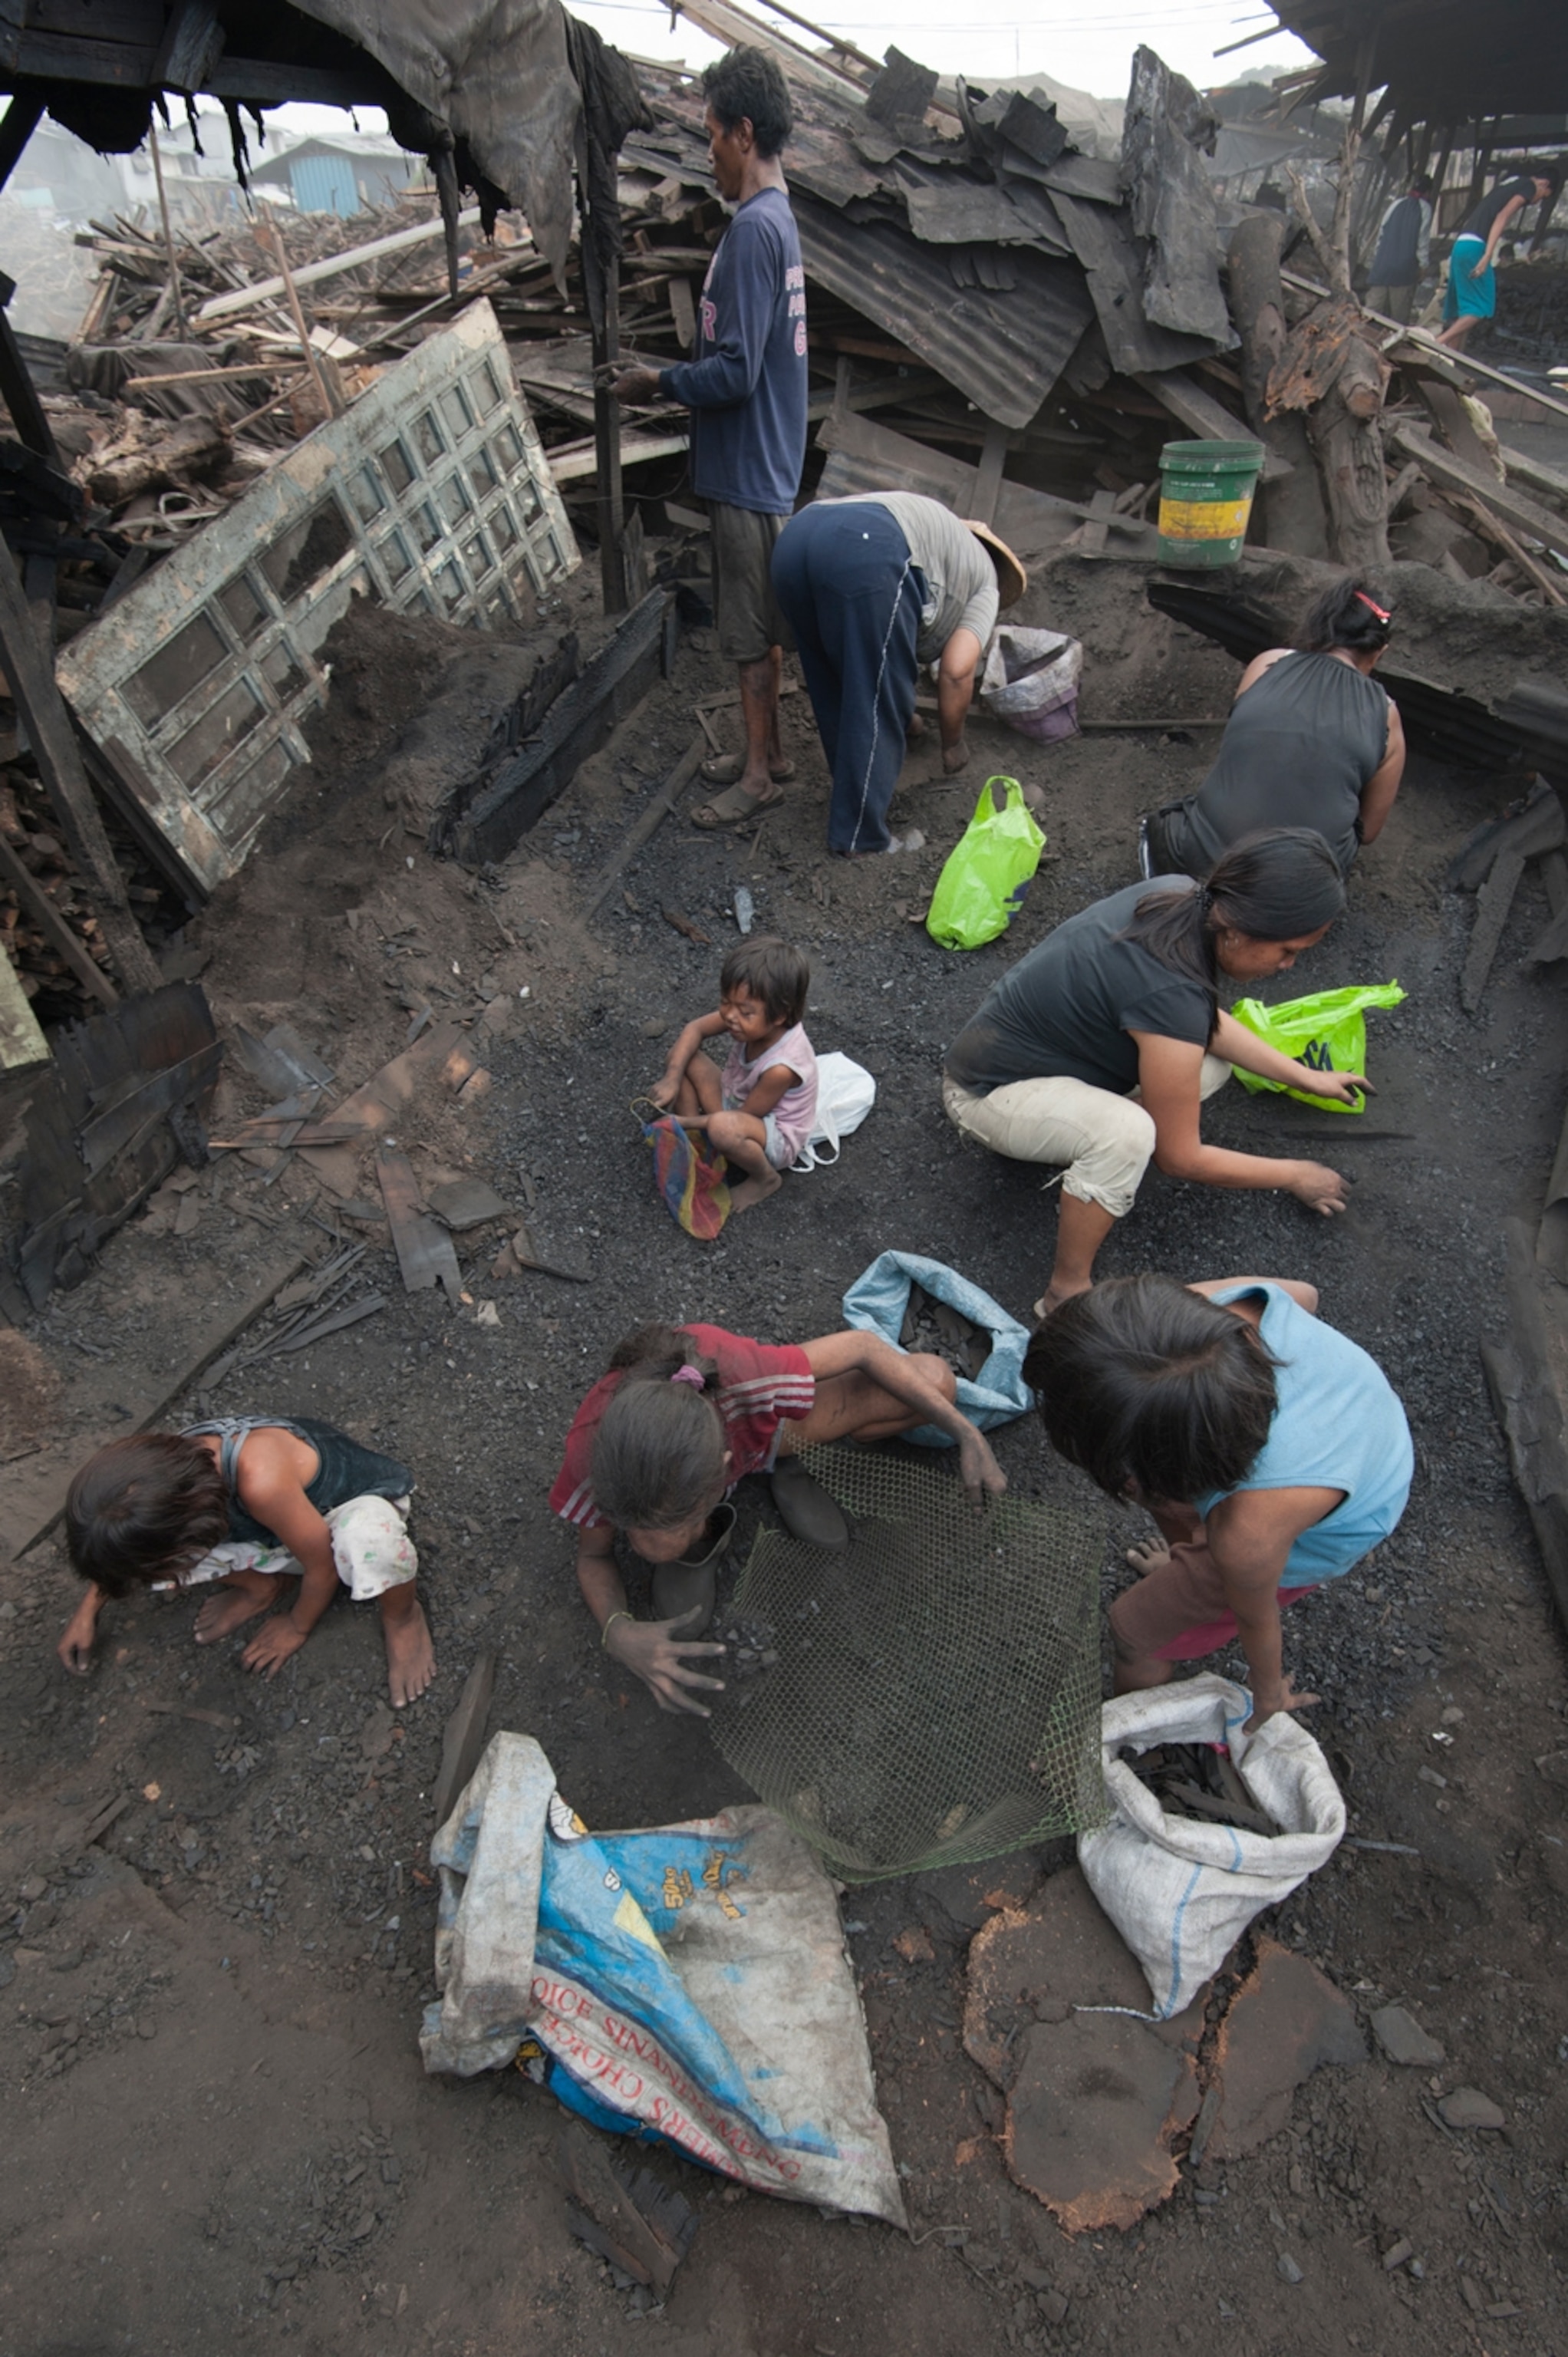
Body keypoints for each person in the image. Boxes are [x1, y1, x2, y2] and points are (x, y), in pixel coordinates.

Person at [942, 829, 1365, 1319]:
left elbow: (1201, 1022)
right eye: (1287, 950)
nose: (1289, 965)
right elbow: (1180, 1158)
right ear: (1239, 928)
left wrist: (1305, 1077)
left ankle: (1091, 1146)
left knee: (1210, 1067)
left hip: (1043, 1058)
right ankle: (1065, 1294)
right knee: (1129, 1135)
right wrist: (1296, 1175)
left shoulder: (1183, 896)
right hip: (986, 1093)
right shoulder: (1171, 990)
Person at [553, 1321, 1007, 1714]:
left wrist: (967, 1434)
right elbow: (594, 1556)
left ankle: (791, 1462)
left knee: (935, 1382)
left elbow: (864, 1348)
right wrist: (618, 1630)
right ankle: (691, 1553)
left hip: (755, 1434)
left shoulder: (745, 1377)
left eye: (686, 1523)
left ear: (720, 1480)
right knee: (667, 1547)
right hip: (717, 1452)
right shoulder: (595, 1458)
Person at [1025, 1273, 1413, 1732]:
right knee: (1163, 1481)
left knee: (1132, 1630)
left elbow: (1257, 1612)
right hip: (1369, 1428)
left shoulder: (1245, 1534)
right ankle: (1180, 1555)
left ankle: (1137, 1733)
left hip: (1336, 1525)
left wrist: (1268, 1690)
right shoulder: (1212, 1310)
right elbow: (1306, 1295)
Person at [611, 47, 807, 829]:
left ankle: (759, 773)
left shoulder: (757, 232)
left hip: (749, 469)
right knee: (758, 627)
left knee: (747, 632)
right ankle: (773, 750)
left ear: (744, 133)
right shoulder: (774, 223)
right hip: (762, 461)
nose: (709, 153)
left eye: (713, 136)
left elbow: (734, 373)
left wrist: (656, 380)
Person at [57, 1416, 434, 1706]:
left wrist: (297, 1625)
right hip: (277, 1530)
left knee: (373, 1542)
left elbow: (323, 1565)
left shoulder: (261, 1480)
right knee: (156, 1567)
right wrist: (89, 1608)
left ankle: (402, 1615)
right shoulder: (161, 1476)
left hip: (337, 1514)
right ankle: (263, 1588)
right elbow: (125, 1542)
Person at [769, 493, 1027, 856]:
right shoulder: (987, 583)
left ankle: (850, 791)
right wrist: (952, 744)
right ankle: (862, 838)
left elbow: (870, 655)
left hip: (796, 539)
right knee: (873, 695)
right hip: (868, 549)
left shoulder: (940, 538)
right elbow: (956, 671)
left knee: (831, 678)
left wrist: (907, 721)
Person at [1138, 579, 1405, 882]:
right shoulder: (1386, 714)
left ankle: (1184, 891)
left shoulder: (1269, 664)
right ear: (1379, 651)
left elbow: (1240, 753)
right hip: (1296, 892)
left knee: (1166, 825)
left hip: (1205, 859)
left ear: (1320, 625)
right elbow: (1368, 831)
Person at [649, 934, 817, 1214]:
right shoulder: (749, 1018)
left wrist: (684, 1120)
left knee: (722, 1129)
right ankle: (695, 1146)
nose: (729, 1016)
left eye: (744, 1011)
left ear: (779, 1016)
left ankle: (764, 1179)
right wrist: (672, 1078)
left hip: (770, 1134)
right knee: (680, 1058)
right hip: (735, 1101)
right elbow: (695, 1029)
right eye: (726, 1002)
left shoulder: (781, 1068)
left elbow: (743, 1119)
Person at [1438, 168, 1559, 349]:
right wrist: (1488, 255)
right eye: (1542, 196)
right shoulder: (1529, 186)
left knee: (1464, 310)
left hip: (1461, 243)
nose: (1536, 201)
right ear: (1544, 184)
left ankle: (1451, 358)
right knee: (1480, 307)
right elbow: (1502, 216)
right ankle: (1438, 342)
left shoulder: (1512, 180)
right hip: (1475, 247)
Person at [1365, 177, 1433, 323]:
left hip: (1382, 266)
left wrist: (1379, 258)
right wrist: (1423, 266)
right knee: (1398, 319)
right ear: (1427, 193)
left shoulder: (1395, 204)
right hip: (1404, 270)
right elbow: (1422, 240)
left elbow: (1381, 233)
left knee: (1371, 311)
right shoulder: (1425, 209)